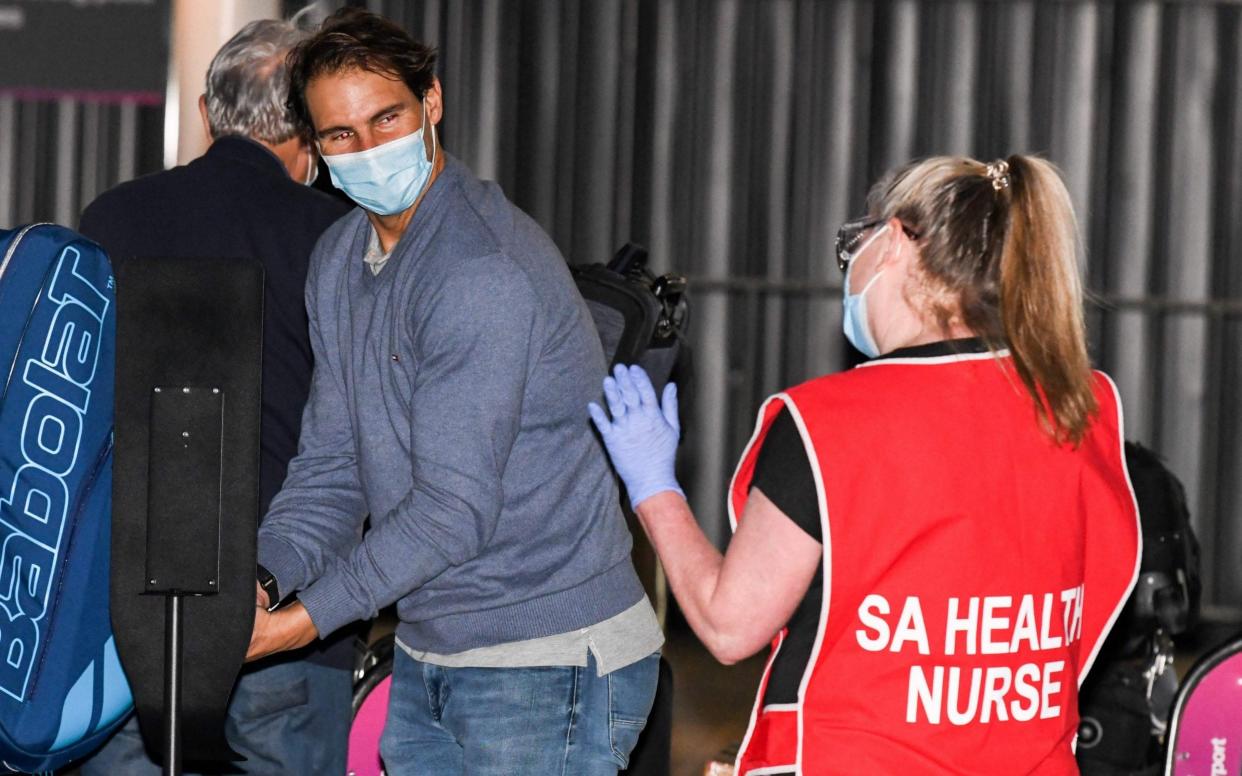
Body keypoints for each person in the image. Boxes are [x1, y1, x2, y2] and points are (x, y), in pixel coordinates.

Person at [589, 155, 1142, 775]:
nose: (850, 267)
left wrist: (653, 484)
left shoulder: (829, 421)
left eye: (859, 241)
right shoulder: (1082, 407)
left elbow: (728, 625)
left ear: (900, 242)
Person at [244, 9, 661, 775]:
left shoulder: (479, 270)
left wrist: (301, 624)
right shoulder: (340, 257)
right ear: (313, 147)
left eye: (387, 118)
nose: (369, 149)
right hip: (436, 641)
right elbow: (332, 467)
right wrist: (262, 578)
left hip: (549, 657)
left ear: (431, 102)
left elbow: (450, 513)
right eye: (341, 135)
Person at [77, 17, 353, 776]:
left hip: (126, 609)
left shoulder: (112, 217)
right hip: (290, 614)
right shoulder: (337, 235)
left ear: (205, 112)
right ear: (310, 129)